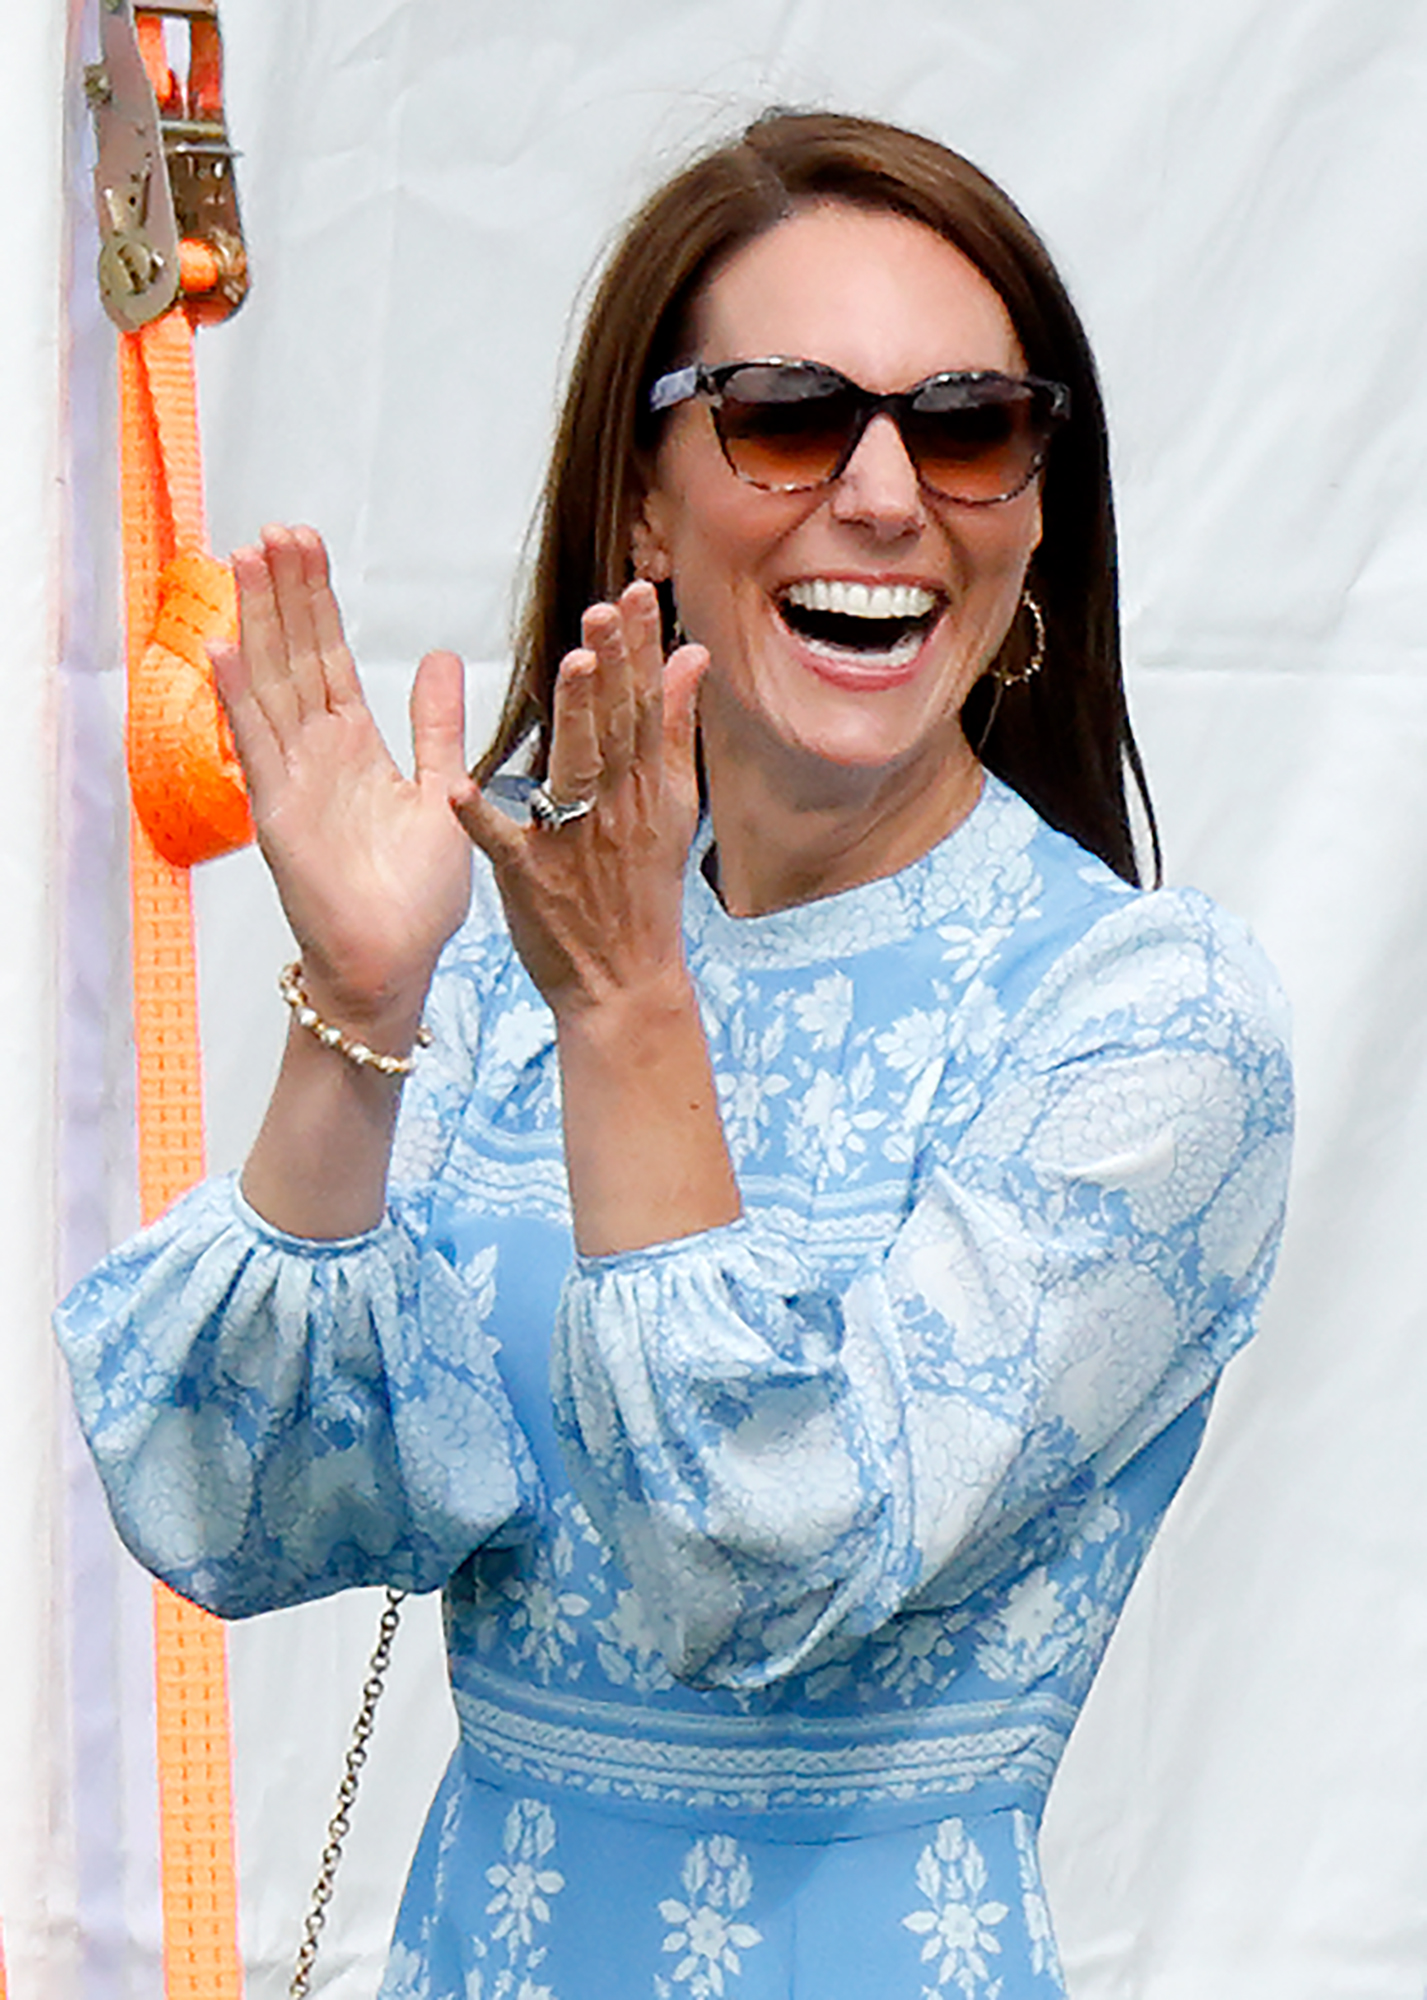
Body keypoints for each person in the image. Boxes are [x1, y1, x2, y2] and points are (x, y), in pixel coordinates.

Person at [57, 110, 1292, 1998]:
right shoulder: (539, 925)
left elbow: (767, 1561)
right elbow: (243, 1506)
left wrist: (627, 1015)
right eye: (789, 416)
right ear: (644, 497)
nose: (884, 494)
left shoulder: (1142, 1020)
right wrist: (367, 1013)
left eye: (966, 428)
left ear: (1036, 511)